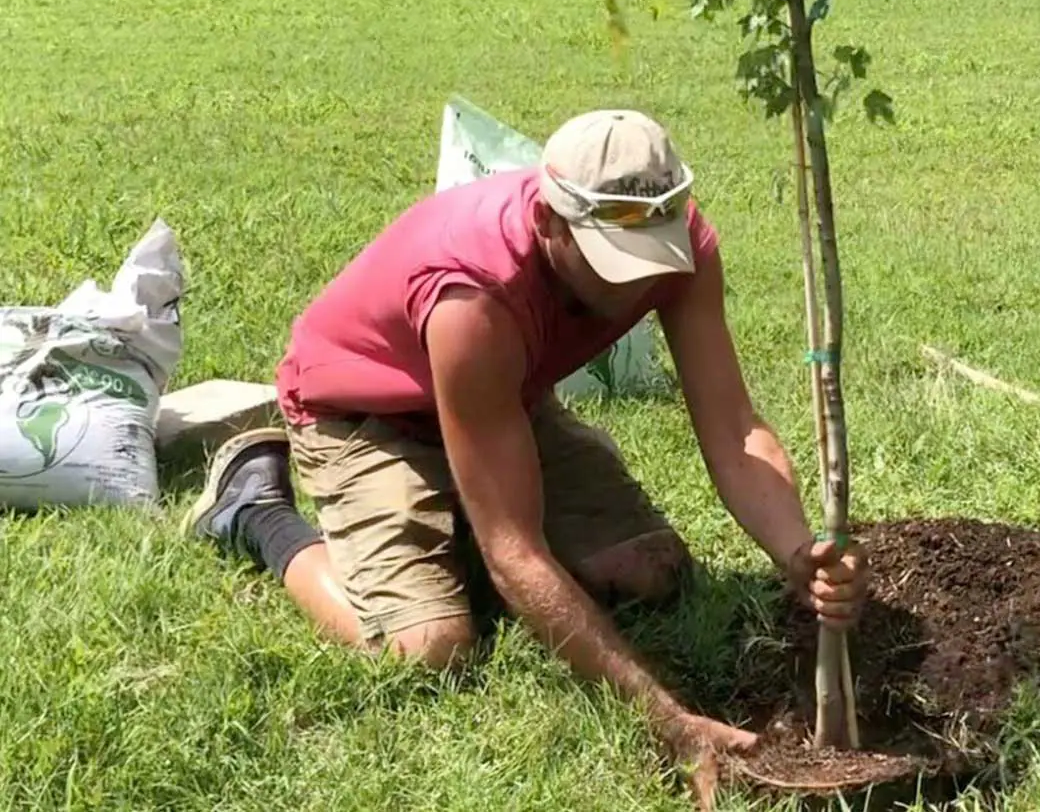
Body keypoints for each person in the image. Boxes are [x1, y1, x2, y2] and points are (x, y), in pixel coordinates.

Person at [185, 108, 866, 799]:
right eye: (613, 263)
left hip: (503, 398)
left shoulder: (676, 242)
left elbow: (733, 427)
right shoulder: (471, 292)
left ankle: (458, 532)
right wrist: (667, 719)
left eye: (648, 258)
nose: (635, 283)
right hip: (368, 411)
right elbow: (515, 546)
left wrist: (797, 553)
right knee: (429, 650)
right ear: (548, 222)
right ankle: (253, 508)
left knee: (652, 573)